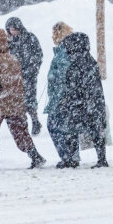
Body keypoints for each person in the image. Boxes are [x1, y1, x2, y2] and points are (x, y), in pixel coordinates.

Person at [0, 29, 45, 170]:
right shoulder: (13, 58)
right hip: (14, 102)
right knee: (20, 131)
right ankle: (35, 156)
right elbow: (15, 80)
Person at [61, 32, 108, 168]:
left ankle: (73, 158)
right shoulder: (88, 60)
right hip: (91, 102)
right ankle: (101, 158)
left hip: (83, 103)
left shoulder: (78, 62)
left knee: (72, 129)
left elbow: (76, 84)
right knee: (95, 130)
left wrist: (71, 99)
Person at [45, 22, 79, 169]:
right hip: (65, 97)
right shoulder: (66, 51)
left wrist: (59, 96)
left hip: (61, 98)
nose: (52, 36)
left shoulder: (63, 53)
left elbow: (63, 77)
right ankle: (73, 157)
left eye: (54, 33)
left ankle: (67, 157)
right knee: (69, 127)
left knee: (54, 126)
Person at [5, 17, 44, 136]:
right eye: (10, 30)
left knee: (30, 99)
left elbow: (38, 55)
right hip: (15, 77)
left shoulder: (30, 38)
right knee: (17, 101)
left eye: (14, 29)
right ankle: (22, 124)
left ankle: (35, 121)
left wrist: (31, 70)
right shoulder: (9, 42)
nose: (13, 32)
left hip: (29, 76)